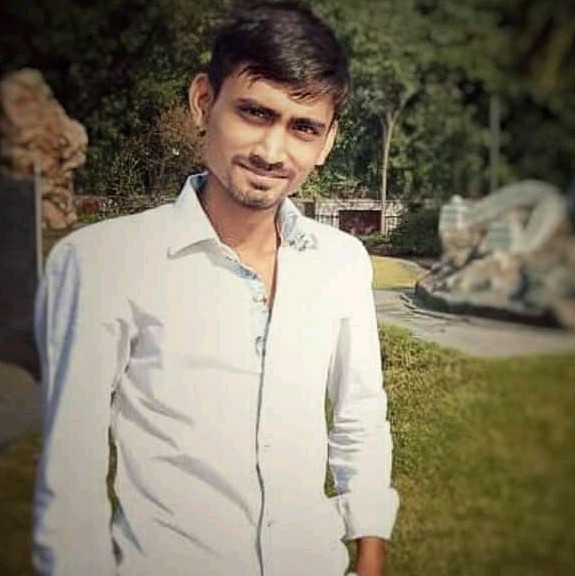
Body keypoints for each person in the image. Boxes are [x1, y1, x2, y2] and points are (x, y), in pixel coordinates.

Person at [32, 2, 399, 575]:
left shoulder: (341, 263)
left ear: (327, 141)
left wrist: (369, 554)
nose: (272, 152)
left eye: (303, 127)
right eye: (254, 112)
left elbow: (360, 417)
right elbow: (70, 480)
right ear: (204, 101)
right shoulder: (103, 264)